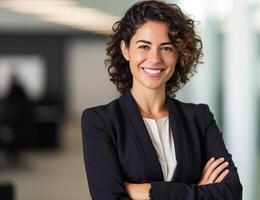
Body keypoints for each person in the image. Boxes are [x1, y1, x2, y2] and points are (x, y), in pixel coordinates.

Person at [81, 1, 242, 199]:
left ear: (178, 54)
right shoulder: (100, 121)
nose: (155, 58)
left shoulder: (199, 118)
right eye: (144, 46)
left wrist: (148, 192)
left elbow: (231, 192)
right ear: (125, 50)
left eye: (166, 48)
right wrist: (198, 191)